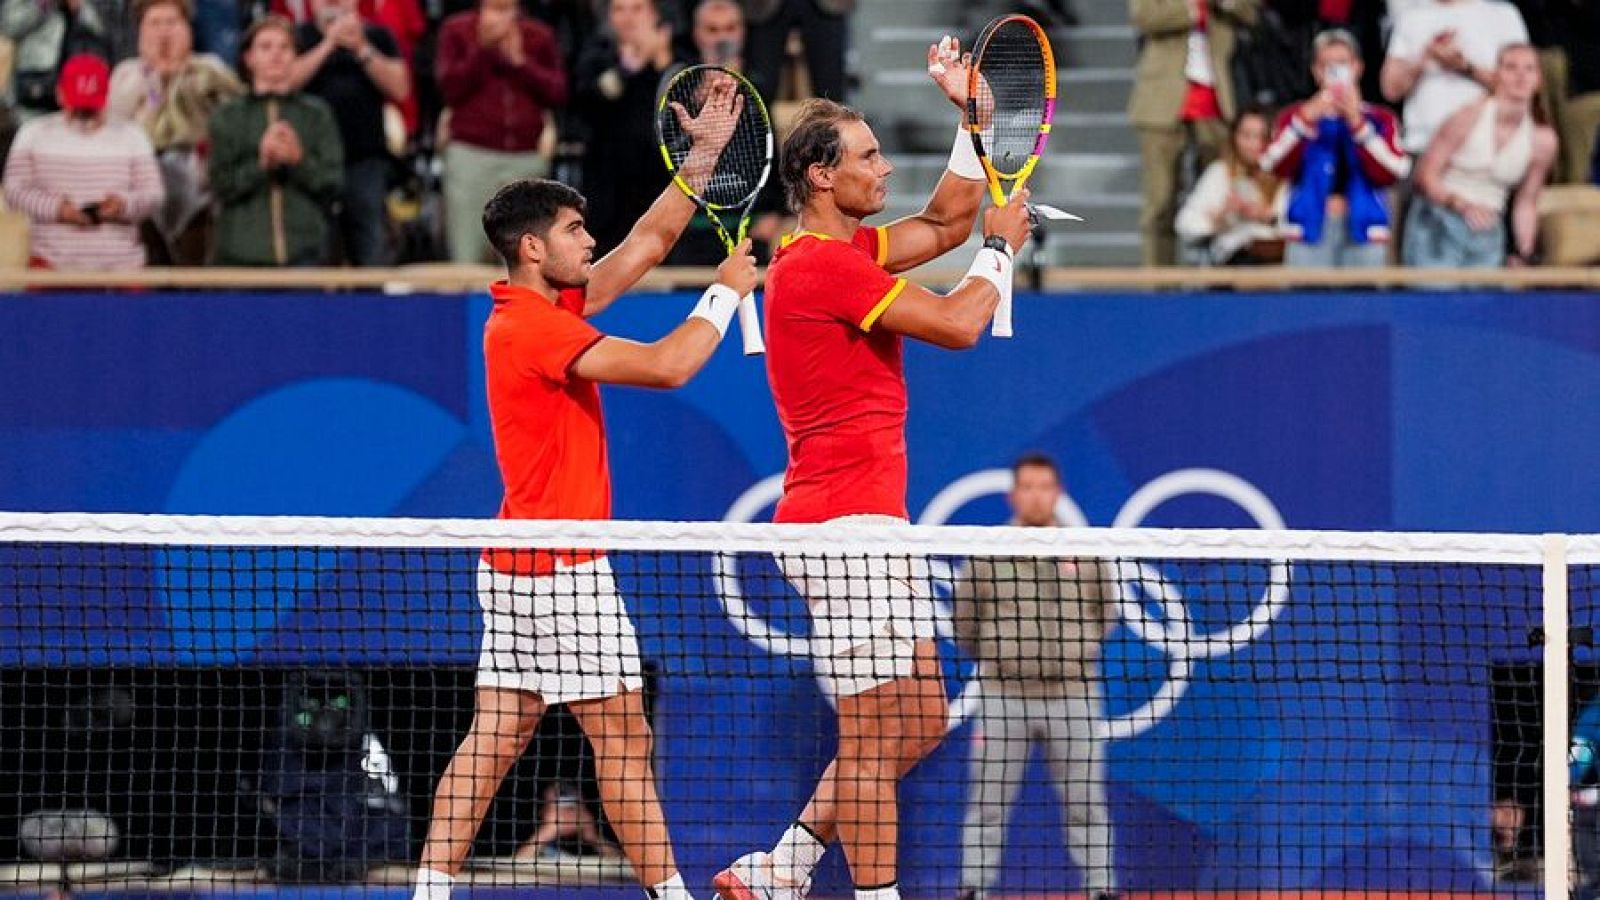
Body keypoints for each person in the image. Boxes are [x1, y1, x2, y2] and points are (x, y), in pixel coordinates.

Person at [410, 78, 758, 900]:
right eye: (574, 231)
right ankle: (672, 895)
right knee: (623, 742)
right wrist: (726, 292)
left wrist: (703, 159)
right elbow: (669, 366)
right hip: (563, 571)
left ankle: (427, 892)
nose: (588, 239)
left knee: (493, 738)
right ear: (533, 248)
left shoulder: (536, 306)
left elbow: (644, 242)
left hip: (514, 565)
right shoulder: (532, 329)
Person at [711, 38, 1034, 900]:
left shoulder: (843, 256)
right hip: (843, 530)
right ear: (821, 176)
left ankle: (780, 867)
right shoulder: (821, 269)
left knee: (920, 717)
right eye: (867, 157)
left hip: (867, 525)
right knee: (867, 738)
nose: (884, 167)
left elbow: (943, 223)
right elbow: (962, 320)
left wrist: (975, 119)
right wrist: (1001, 255)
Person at [952, 453, 1118, 900]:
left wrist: (1074, 654)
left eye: (1044, 486)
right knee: (987, 804)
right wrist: (1001, 656)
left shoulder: (1084, 550)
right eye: (1027, 486)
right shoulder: (988, 552)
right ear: (1013, 494)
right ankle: (974, 889)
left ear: (1057, 493)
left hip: (1074, 697)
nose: (1036, 495)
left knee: (1086, 802)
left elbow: (1106, 613)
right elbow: (964, 623)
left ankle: (1101, 889)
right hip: (1003, 697)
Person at [107, 0, 244, 264]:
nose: (164, 32)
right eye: (154, 24)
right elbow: (114, 126)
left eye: (171, 23)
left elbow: (237, 111)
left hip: (200, 184)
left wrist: (186, 76)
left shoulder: (209, 68)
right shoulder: (127, 74)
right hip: (141, 183)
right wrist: (151, 78)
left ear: (188, 30)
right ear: (140, 33)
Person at [1127, 0, 1261, 267]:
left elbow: (1251, 13)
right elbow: (1143, 16)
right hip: (1161, 101)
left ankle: (1212, 281)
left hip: (1217, 99)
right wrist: (1190, 7)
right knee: (1160, 203)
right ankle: (1158, 287)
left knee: (1218, 199)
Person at [1260, 29, 1408, 267]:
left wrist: (1357, 123)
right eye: (1325, 65)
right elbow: (1272, 165)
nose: (1333, 71)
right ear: (1315, 71)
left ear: (1357, 67)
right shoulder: (1294, 117)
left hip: (1365, 229)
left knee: (1364, 303)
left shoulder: (1381, 118)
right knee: (1304, 303)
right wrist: (1305, 120)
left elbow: (1394, 171)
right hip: (1307, 229)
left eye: (1341, 63)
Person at [3, 52, 163, 270]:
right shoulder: (33, 133)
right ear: (60, 94)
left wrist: (122, 205)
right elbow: (14, 191)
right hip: (51, 264)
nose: (84, 116)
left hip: (122, 267)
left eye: (90, 108)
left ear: (107, 97)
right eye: (78, 108)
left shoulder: (132, 135)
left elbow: (153, 194)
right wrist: (57, 209)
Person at [1404, 43, 1556, 268]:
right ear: (1496, 75)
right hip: (1441, 217)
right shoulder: (1467, 117)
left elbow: (1526, 202)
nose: (1520, 76)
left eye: (1529, 69)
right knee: (1437, 298)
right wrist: (1460, 204)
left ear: (1538, 80)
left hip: (1488, 227)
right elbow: (1424, 176)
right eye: (1511, 68)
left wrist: (1524, 253)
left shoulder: (1543, 140)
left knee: (1484, 300)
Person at [208, 15, 344, 266]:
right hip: (241, 260)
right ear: (249, 58)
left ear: (295, 56)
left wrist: (298, 161)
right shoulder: (228, 116)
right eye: (266, 47)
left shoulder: (316, 114)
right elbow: (220, 184)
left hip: (305, 256)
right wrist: (261, 164)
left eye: (285, 47)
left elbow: (333, 183)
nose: (276, 55)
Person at [289, 0, 411, 265]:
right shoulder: (298, 36)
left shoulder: (377, 36)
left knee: (371, 251)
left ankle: (374, 306)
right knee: (313, 255)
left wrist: (360, 48)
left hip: (365, 162)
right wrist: (328, 44)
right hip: (309, 166)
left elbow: (400, 88)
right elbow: (285, 82)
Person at [572, 0, 682, 255]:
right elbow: (588, 101)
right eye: (620, 10)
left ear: (654, 15)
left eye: (637, 9)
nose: (628, 17)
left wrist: (663, 62)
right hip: (607, 187)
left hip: (660, 182)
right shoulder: (596, 56)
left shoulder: (678, 57)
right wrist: (630, 66)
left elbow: (686, 106)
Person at [1381, 0, 1529, 160]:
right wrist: (1426, 58)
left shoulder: (1503, 14)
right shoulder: (1412, 17)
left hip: (1487, 150)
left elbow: (1523, 86)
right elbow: (1390, 90)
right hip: (1422, 145)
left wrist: (1465, 67)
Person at [1175, 106, 1284, 264]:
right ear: (1234, 137)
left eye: (1264, 137)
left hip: (1278, 260)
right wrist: (1218, 217)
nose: (1255, 144)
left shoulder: (1287, 173)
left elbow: (1301, 227)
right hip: (1233, 260)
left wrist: (1268, 217)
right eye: (1247, 136)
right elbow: (1185, 224)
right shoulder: (1219, 173)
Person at [741, 0, 851, 104]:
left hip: (826, 6)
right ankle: (758, 124)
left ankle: (833, 124)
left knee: (831, 89)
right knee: (759, 88)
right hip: (764, 7)